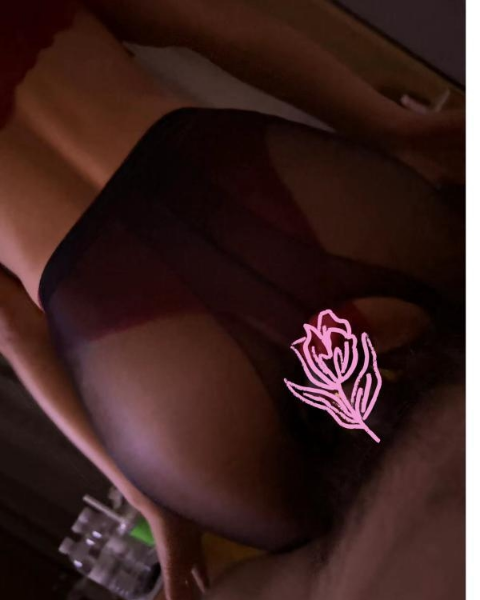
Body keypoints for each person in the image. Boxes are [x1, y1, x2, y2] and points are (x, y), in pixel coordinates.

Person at [0, 1, 465, 598]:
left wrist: (150, 500)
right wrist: (392, 124)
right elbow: (215, 27)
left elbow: (12, 327)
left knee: (381, 547)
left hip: (124, 331)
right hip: (247, 174)